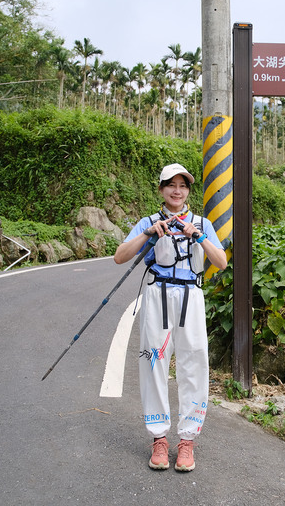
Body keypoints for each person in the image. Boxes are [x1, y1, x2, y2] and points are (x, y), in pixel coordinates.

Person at [114, 163, 227, 472]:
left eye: (183, 185)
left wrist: (199, 236)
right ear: (161, 189)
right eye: (171, 185)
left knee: (194, 362)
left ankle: (187, 440)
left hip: (191, 296)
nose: (177, 191)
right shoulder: (148, 222)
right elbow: (120, 256)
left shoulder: (201, 222)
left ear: (188, 191)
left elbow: (221, 261)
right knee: (153, 361)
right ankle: (159, 439)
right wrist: (148, 234)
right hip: (156, 295)